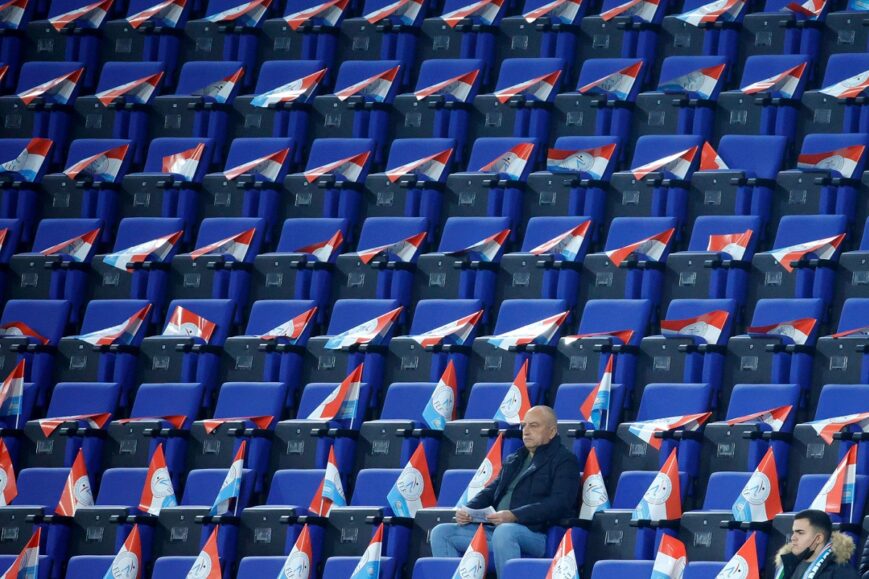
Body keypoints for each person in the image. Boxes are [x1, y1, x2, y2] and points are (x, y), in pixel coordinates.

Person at [429, 405, 580, 576]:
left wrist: (515, 515)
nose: (526, 431)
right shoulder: (515, 458)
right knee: (441, 532)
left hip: (535, 533)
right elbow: (491, 491)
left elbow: (560, 503)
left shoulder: (565, 460)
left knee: (505, 531)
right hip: (496, 528)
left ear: (552, 432)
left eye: (534, 425)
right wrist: (468, 510)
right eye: (524, 425)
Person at [775, 509, 858, 579]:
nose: (793, 538)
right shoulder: (787, 564)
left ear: (818, 538)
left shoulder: (840, 573)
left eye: (800, 533)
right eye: (793, 532)